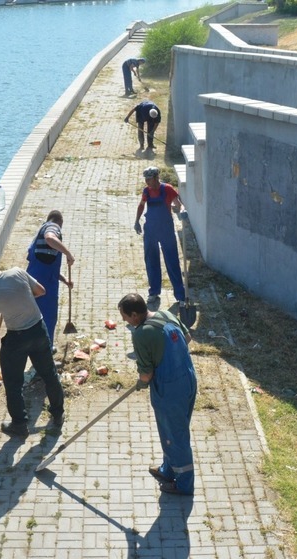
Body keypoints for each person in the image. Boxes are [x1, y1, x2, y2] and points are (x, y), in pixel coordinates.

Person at [0, 256, 65, 437]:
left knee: (13, 383)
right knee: (49, 374)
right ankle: (58, 414)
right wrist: (21, 299)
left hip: (17, 338)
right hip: (39, 330)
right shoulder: (18, 271)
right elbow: (40, 291)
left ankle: (19, 425)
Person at [118, 293, 197, 496]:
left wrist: (140, 383)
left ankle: (184, 484)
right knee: (173, 431)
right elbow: (187, 338)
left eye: (125, 317)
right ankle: (168, 469)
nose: (124, 321)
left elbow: (146, 374)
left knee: (175, 435)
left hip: (169, 389)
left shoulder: (141, 334)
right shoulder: (165, 314)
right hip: (188, 379)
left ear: (135, 315)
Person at [133, 166, 186, 306]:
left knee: (172, 261)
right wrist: (136, 221)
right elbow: (141, 205)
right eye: (146, 179)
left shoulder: (167, 189)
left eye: (149, 179)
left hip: (166, 230)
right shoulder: (146, 191)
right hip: (150, 229)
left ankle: (180, 295)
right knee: (151, 261)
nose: (147, 182)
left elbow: (178, 203)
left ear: (156, 177)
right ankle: (154, 292)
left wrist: (182, 211)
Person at [26, 210, 75, 350]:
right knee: (47, 317)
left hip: (35, 279)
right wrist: (68, 253)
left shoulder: (38, 235)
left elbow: (49, 266)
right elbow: (50, 238)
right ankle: (45, 348)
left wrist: (64, 280)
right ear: (60, 222)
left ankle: (38, 346)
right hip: (44, 286)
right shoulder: (53, 227)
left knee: (34, 317)